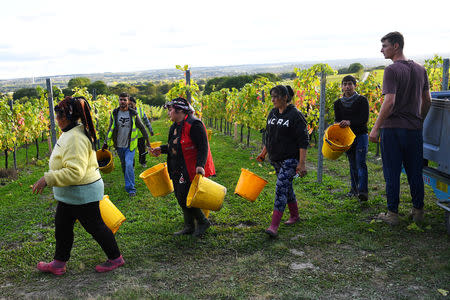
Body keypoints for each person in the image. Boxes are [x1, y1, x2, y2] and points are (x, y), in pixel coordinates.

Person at [32, 96, 124, 275]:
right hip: (72, 194)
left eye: (58, 116)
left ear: (66, 117)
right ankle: (58, 264)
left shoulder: (75, 138)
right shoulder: (71, 132)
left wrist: (47, 179)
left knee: (95, 226)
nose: (56, 119)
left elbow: (75, 173)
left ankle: (116, 258)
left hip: (82, 193)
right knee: (62, 226)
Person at [369, 31, 432, 225]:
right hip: (414, 130)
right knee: (415, 171)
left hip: (393, 129)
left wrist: (376, 128)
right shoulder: (420, 69)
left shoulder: (392, 70)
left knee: (392, 171)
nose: (381, 50)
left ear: (396, 46)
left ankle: (393, 214)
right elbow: (427, 101)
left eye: (384, 45)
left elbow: (389, 102)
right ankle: (418, 211)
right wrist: (418, 120)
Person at [151, 97, 215, 237]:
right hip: (176, 167)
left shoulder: (195, 124)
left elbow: (203, 147)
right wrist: (161, 149)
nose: (168, 113)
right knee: (180, 197)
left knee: (186, 196)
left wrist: (200, 165)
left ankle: (203, 222)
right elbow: (174, 145)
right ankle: (189, 226)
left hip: (189, 168)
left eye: (170, 110)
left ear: (179, 110)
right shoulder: (174, 126)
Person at [256, 85, 309, 237]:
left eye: (275, 97)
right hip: (276, 158)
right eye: (272, 97)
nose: (272, 100)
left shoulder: (295, 115)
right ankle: (295, 216)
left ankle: (273, 226)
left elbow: (303, 140)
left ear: (285, 97)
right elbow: (269, 136)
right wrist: (263, 152)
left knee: (280, 188)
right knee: (287, 187)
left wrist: (302, 163)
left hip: (290, 159)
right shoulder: (273, 113)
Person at [102, 92, 150, 197]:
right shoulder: (114, 113)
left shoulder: (133, 113)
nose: (122, 101)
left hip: (130, 145)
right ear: (119, 101)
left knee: (129, 164)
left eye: (125, 100)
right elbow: (111, 127)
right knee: (124, 166)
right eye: (121, 99)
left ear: (128, 101)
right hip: (119, 145)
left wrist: (148, 141)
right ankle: (128, 180)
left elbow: (142, 127)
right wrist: (106, 142)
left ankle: (131, 189)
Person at [334, 75, 370, 202]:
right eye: (344, 84)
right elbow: (337, 121)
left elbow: (364, 120)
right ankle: (354, 190)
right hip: (347, 138)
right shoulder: (338, 103)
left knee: (360, 162)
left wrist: (349, 122)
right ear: (342, 87)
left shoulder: (362, 100)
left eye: (350, 84)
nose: (347, 87)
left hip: (360, 136)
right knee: (352, 164)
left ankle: (363, 191)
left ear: (355, 85)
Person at [128, 96, 154, 168]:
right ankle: (132, 165)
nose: (130, 105)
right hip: (131, 136)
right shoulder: (126, 111)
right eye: (128, 104)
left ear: (135, 103)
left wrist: (150, 130)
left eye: (131, 104)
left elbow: (146, 121)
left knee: (142, 150)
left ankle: (143, 162)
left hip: (140, 135)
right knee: (131, 151)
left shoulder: (140, 110)